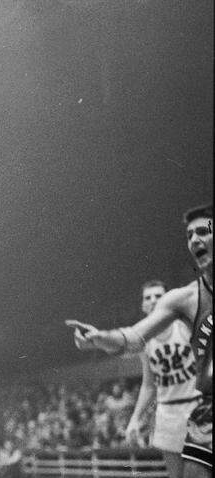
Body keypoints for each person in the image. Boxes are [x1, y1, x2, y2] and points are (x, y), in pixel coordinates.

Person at [67, 203, 212, 478]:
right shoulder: (184, 301)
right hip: (189, 412)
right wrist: (100, 338)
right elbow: (134, 340)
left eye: (203, 231)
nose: (194, 240)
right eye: (189, 235)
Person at [124, 280, 199, 478]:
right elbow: (149, 385)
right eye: (148, 297)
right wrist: (135, 418)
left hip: (195, 407)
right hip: (167, 411)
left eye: (158, 296)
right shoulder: (144, 341)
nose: (153, 300)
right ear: (142, 305)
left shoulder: (184, 325)